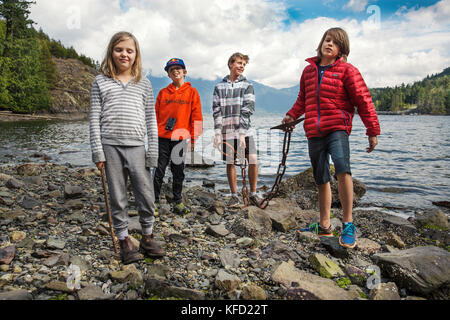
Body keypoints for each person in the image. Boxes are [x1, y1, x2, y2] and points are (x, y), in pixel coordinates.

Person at [282, 27, 380, 249]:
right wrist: (291, 115)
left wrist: (372, 130)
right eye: (327, 40)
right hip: (313, 130)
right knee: (321, 177)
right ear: (321, 42)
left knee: (343, 170)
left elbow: (363, 100)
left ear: (340, 50)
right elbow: (302, 100)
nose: (329, 44)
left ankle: (347, 224)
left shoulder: (348, 71)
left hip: (337, 127)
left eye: (335, 43)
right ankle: (325, 224)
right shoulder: (308, 71)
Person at [89, 31, 165, 264]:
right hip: (110, 146)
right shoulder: (100, 81)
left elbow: (151, 118)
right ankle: (123, 238)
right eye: (119, 49)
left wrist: (152, 150)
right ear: (111, 52)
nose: (124, 54)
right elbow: (94, 117)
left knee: (145, 193)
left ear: (136, 55)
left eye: (129, 51)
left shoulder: (144, 83)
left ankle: (147, 235)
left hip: (137, 147)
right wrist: (97, 150)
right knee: (118, 195)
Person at [153, 58, 203, 215]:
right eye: (171, 69)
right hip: (162, 137)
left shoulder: (192, 92)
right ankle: (153, 200)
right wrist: (152, 134)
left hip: (180, 138)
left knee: (178, 171)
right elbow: (154, 115)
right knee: (159, 169)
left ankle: (178, 202)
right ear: (168, 74)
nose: (175, 71)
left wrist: (194, 140)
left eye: (178, 68)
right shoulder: (162, 93)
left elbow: (197, 118)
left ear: (184, 72)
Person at [213, 52, 262, 207]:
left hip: (245, 131)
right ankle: (234, 195)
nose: (241, 66)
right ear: (230, 64)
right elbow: (216, 111)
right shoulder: (219, 87)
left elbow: (248, 110)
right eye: (239, 63)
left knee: (252, 159)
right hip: (226, 131)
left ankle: (253, 193)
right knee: (230, 162)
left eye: (244, 64)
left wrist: (241, 134)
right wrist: (217, 133)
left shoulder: (248, 86)